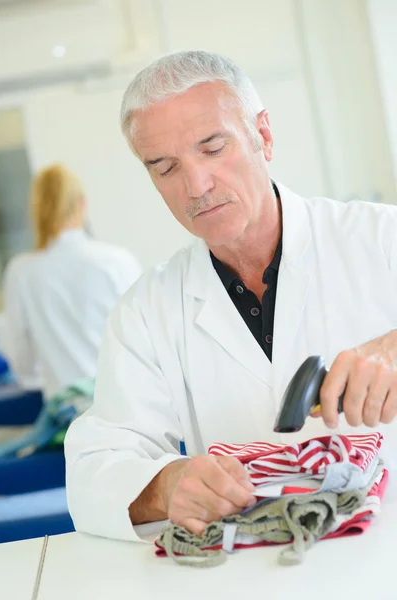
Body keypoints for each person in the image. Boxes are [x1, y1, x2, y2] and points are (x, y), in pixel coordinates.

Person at [65, 51, 397, 543]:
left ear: (262, 134)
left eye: (213, 148)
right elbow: (98, 465)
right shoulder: (147, 310)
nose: (196, 185)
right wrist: (164, 485)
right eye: (165, 167)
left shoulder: (380, 237)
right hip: (252, 571)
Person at [1, 163, 142, 398]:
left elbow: (22, 363)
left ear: (36, 211)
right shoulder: (116, 260)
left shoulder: (21, 271)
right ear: (81, 204)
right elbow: (145, 340)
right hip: (125, 401)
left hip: (66, 411)